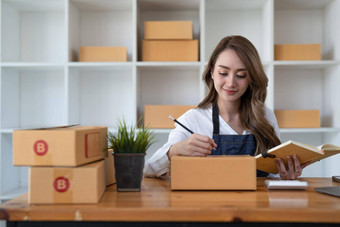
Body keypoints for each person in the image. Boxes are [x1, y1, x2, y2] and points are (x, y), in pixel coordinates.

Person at [144, 35, 309, 180]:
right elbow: (148, 169)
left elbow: (272, 177)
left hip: (256, 211)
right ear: (211, 72)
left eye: (240, 75)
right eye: (223, 73)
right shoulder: (193, 119)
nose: (231, 83)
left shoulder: (265, 117)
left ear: (251, 77)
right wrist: (174, 150)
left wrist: (285, 177)